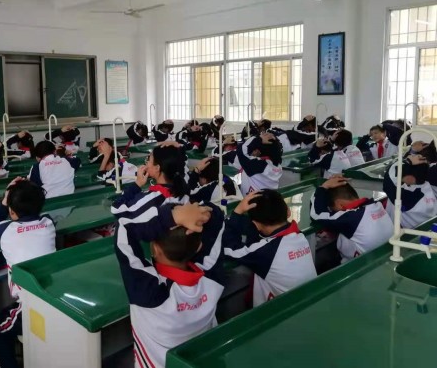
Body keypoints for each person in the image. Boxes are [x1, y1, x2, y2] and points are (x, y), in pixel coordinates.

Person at [112, 145, 225, 368]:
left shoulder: (149, 293)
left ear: (154, 249)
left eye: (150, 159)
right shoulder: (211, 280)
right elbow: (218, 218)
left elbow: (123, 222)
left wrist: (139, 188)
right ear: (198, 245)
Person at [0, 179, 56, 368]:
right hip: (53, 294)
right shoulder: (48, 222)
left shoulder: (4, 230)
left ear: (11, 211)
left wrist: (5, 200)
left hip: (32, 304)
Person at [223, 190, 317, 306]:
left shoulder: (266, 251)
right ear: (288, 212)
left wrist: (237, 212)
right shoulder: (299, 236)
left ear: (256, 224)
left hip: (280, 313)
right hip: (307, 304)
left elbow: (229, 249)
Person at [310, 175, 393, 263]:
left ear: (340, 204)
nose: (333, 212)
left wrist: (323, 187)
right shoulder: (376, 205)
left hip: (362, 265)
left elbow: (317, 215)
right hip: (386, 257)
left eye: (332, 209)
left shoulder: (350, 217)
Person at [383, 155, 437, 229]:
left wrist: (408, 161)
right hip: (428, 228)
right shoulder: (428, 188)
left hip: (409, 233)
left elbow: (389, 180)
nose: (400, 178)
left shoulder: (407, 196)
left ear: (410, 178)